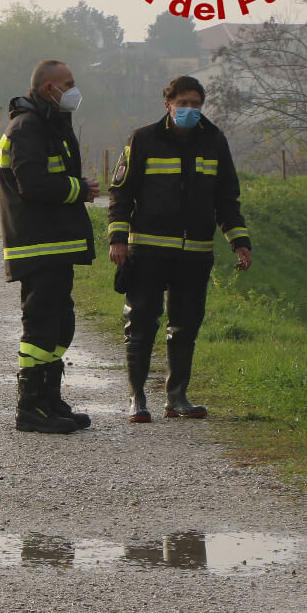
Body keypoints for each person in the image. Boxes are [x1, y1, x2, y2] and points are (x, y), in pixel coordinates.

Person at [108, 75, 251, 422]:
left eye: (195, 104)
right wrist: (118, 238)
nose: (189, 110)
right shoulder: (143, 139)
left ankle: (177, 398)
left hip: (195, 252)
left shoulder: (215, 141)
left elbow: (227, 198)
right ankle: (137, 398)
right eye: (183, 103)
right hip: (148, 251)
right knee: (140, 323)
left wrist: (239, 241)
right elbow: (121, 192)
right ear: (167, 104)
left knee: (186, 325)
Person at [0, 60, 98, 434]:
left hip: (56, 242)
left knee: (61, 325)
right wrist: (80, 190)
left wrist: (75, 187)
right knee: (40, 327)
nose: (73, 90)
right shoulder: (27, 127)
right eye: (67, 84)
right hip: (37, 244)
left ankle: (50, 399)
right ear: (46, 89)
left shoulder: (50, 122)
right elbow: (33, 184)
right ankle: (31, 407)